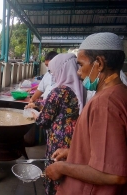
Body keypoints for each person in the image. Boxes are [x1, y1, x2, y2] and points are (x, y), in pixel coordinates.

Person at [46, 32, 127, 195]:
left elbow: (114, 174)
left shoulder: (105, 103)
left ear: (99, 63)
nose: (78, 73)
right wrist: (74, 152)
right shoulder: (120, 92)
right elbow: (107, 148)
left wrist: (62, 167)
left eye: (81, 65)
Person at [26, 53, 85, 195]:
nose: (53, 75)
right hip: (74, 135)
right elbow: (58, 107)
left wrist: (34, 114)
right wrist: (38, 104)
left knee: (56, 168)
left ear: (61, 70)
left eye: (53, 71)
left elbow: (44, 121)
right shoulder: (80, 87)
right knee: (69, 170)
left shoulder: (58, 91)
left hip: (59, 139)